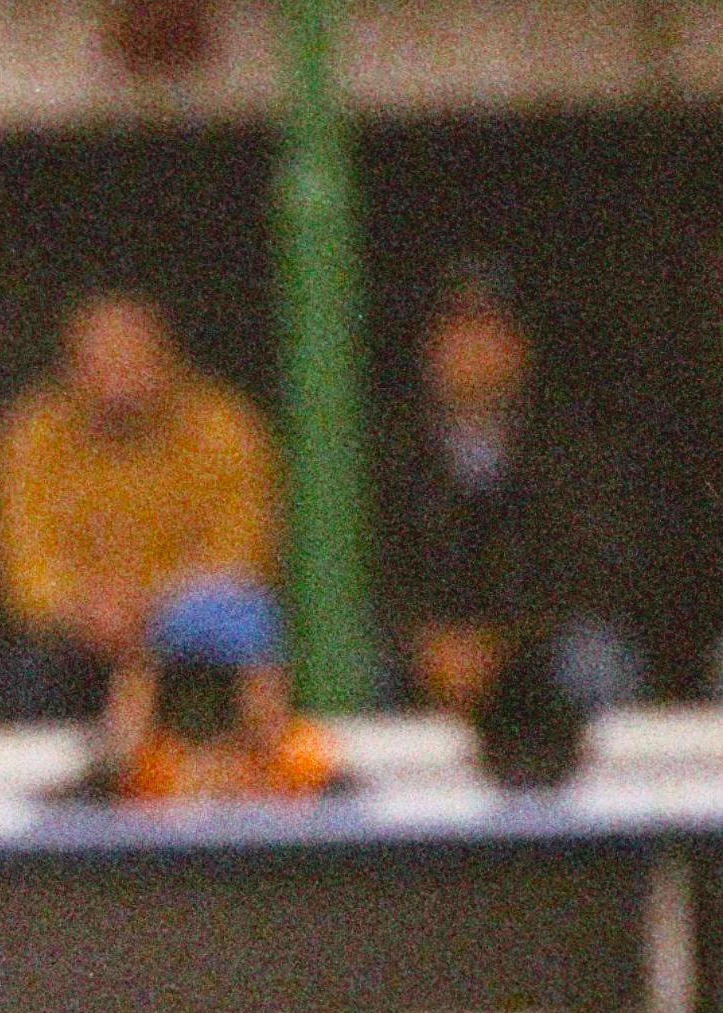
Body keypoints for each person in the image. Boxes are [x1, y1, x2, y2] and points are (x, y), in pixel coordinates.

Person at [0, 293, 278, 719]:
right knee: (34, 668)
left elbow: (241, 553)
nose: (118, 380)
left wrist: (155, 606)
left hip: (192, 629)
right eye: (101, 363)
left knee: (241, 637)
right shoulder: (30, 438)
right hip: (80, 636)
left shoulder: (223, 430)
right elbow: (26, 569)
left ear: (168, 360)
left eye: (134, 361)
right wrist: (86, 609)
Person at [381, 269, 640, 735]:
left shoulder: (566, 450)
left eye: (489, 333)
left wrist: (501, 646)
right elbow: (370, 568)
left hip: (534, 644)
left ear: (519, 349)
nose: (472, 352)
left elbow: (592, 570)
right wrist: (424, 643)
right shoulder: (390, 449)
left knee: (599, 661)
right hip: (422, 650)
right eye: (457, 332)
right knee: (351, 664)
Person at [99, 579, 336, 803]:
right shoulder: (146, 768)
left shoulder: (303, 766)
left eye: (224, 686)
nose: (205, 705)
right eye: (188, 687)